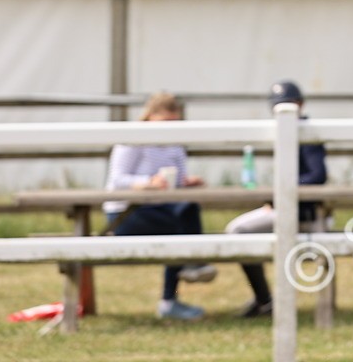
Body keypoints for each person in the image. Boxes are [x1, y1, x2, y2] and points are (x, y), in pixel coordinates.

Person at [103, 91, 217, 320]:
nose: (169, 128)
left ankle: (183, 276)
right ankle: (188, 270)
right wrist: (147, 183)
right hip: (126, 213)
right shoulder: (132, 139)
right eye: (165, 122)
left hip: (163, 209)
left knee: (187, 211)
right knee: (180, 228)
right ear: (150, 116)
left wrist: (187, 181)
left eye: (173, 123)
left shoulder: (175, 143)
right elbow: (117, 181)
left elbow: (178, 180)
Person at [226, 80, 328, 318]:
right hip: (286, 206)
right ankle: (265, 299)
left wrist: (282, 193)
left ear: (300, 105)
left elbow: (317, 175)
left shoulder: (306, 132)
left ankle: (265, 300)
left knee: (238, 231)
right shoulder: (289, 131)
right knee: (238, 230)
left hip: (302, 211)